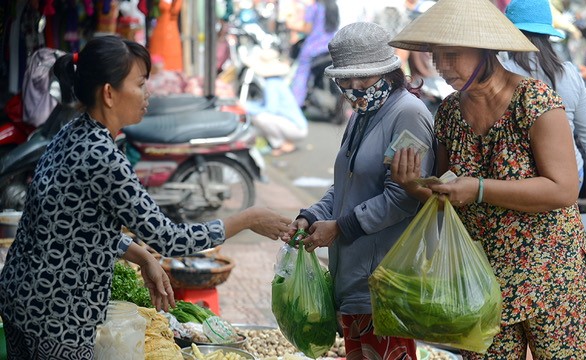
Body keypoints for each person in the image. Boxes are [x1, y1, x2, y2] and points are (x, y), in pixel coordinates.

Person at [0, 36, 291, 359]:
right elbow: (170, 239)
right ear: (109, 93)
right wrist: (249, 218)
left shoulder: (72, 132)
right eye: (140, 84)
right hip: (57, 313)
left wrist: (143, 256)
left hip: (21, 294)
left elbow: (73, 226)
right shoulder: (103, 157)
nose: (147, 93)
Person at [389, 0, 586, 358]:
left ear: (485, 50)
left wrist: (480, 189)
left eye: (452, 54)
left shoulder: (534, 100)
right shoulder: (450, 114)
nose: (442, 66)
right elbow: (448, 195)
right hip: (481, 278)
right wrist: (415, 186)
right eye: (436, 56)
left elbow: (564, 188)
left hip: (550, 272)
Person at [286, 22, 437, 358]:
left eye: (363, 80)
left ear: (389, 73)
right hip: (353, 274)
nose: (354, 88)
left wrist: (340, 226)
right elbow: (345, 183)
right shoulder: (361, 115)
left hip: (384, 279)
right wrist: (313, 215)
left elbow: (403, 197)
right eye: (345, 81)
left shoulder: (408, 115)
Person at [502, 0, 586, 220]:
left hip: (515, 183)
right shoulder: (569, 73)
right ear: (547, 34)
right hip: (569, 177)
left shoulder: (500, 72)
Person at [243, 49, 308, 156]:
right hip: (296, 126)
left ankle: (279, 144)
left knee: (260, 117)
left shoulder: (271, 85)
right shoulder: (276, 82)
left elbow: (270, 110)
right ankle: (280, 142)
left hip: (297, 128)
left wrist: (247, 108)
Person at [287, 0, 340, 107]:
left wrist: (291, 25)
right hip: (330, 47)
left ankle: (295, 105)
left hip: (313, 48)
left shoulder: (314, 7)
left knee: (301, 73)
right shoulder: (333, 7)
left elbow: (307, 29)